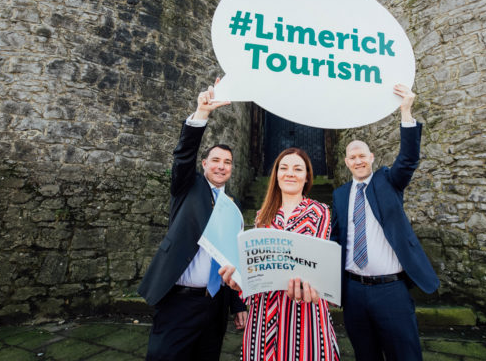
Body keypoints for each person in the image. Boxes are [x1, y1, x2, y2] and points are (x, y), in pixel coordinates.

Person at [138, 79, 247, 361]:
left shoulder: (233, 207)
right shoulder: (188, 187)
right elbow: (183, 155)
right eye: (216, 160)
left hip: (215, 305)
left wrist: (237, 305)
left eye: (227, 162)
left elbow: (231, 257)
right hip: (179, 300)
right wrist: (201, 115)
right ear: (205, 164)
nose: (222, 166)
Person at [330, 84, 439, 361]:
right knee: (365, 355)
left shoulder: (388, 181)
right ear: (346, 161)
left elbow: (408, 159)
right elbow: (336, 237)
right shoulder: (341, 194)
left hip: (391, 290)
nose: (358, 161)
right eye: (352, 157)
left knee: (405, 355)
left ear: (372, 158)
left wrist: (406, 112)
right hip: (353, 292)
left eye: (362, 156)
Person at [220, 147, 340, 361]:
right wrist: (240, 279)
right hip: (264, 312)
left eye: (297, 169)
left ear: (306, 177)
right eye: (283, 168)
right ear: (276, 175)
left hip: (303, 311)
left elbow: (318, 260)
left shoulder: (319, 211)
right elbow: (256, 267)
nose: (290, 173)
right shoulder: (261, 216)